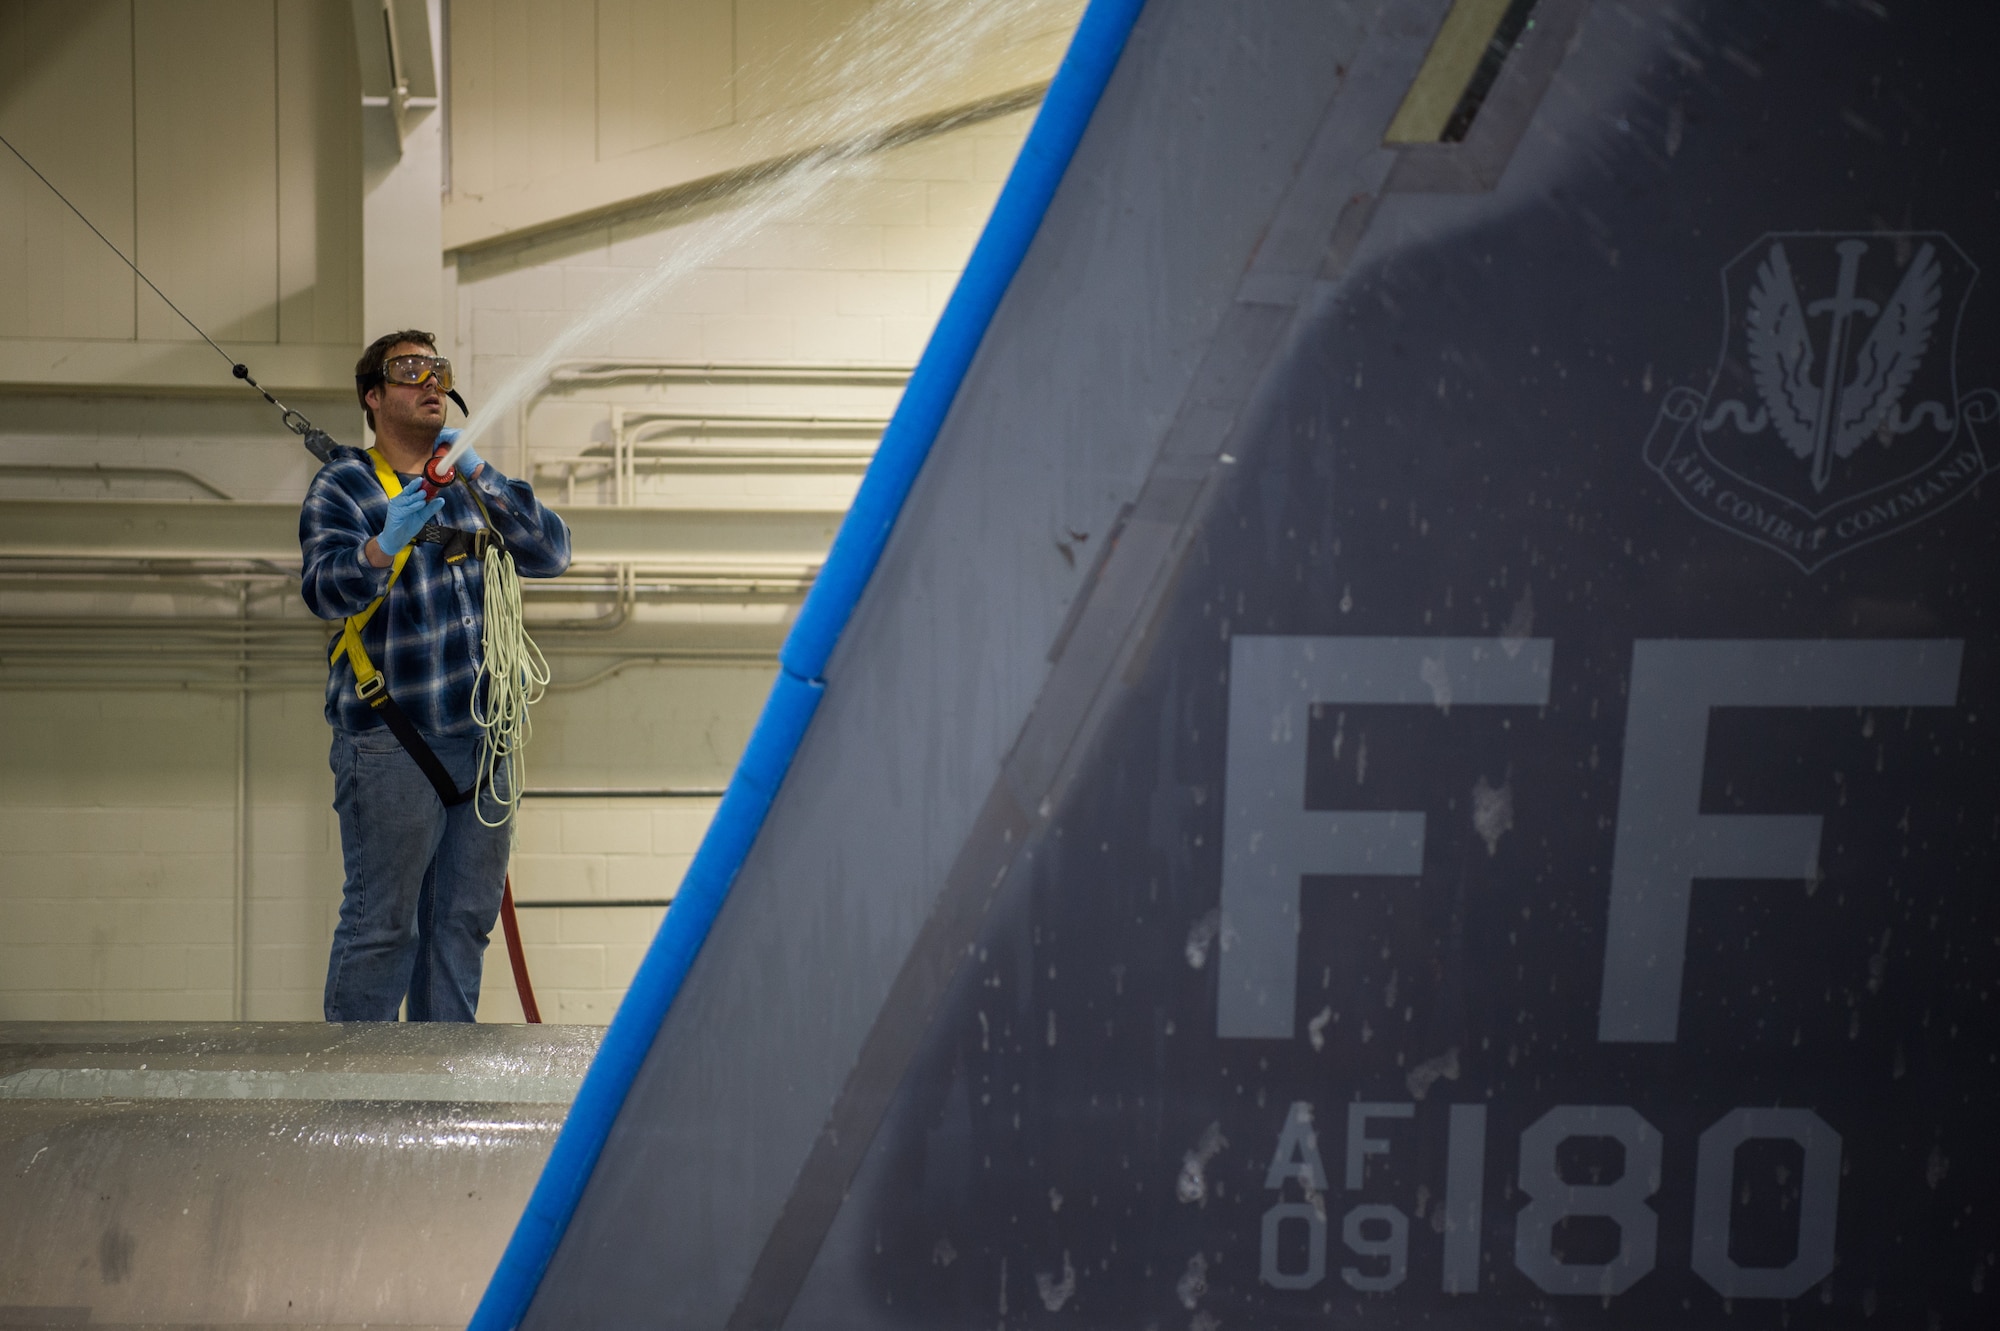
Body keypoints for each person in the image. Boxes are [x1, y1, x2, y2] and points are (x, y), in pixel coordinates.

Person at [300, 330, 571, 1021]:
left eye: (438, 371)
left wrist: (479, 471)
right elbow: (323, 592)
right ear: (372, 394)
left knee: (461, 927)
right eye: (408, 370)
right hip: (392, 739)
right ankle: (354, 1101)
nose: (430, 382)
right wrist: (378, 546)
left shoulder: (471, 486)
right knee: (383, 928)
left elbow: (550, 553)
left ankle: (438, 1101)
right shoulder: (345, 484)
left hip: (484, 742)